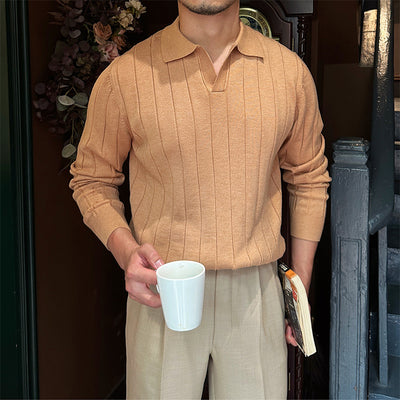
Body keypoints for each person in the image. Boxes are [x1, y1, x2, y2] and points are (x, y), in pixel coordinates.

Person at [70, 0, 330, 398]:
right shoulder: (124, 78)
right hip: (162, 289)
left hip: (255, 293)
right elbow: (92, 179)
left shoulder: (289, 74)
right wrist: (127, 254)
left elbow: (309, 177)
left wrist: (300, 286)